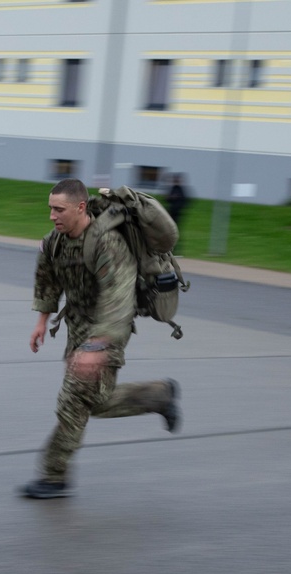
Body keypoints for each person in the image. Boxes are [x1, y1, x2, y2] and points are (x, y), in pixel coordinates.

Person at [21, 178, 181, 499]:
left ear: (81, 207)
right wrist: (41, 321)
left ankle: (53, 475)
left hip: (109, 329)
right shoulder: (54, 241)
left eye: (59, 209)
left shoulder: (107, 243)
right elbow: (46, 279)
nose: (52, 215)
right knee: (95, 402)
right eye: (50, 208)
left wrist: (97, 346)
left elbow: (118, 300)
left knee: (74, 400)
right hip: (78, 326)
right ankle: (158, 396)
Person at [164, 173, 189, 253]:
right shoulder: (172, 189)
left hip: (177, 213)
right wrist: (170, 198)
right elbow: (167, 199)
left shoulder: (181, 190)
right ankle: (169, 248)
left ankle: (175, 249)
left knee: (176, 231)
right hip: (170, 213)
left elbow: (185, 200)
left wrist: (180, 207)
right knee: (169, 231)